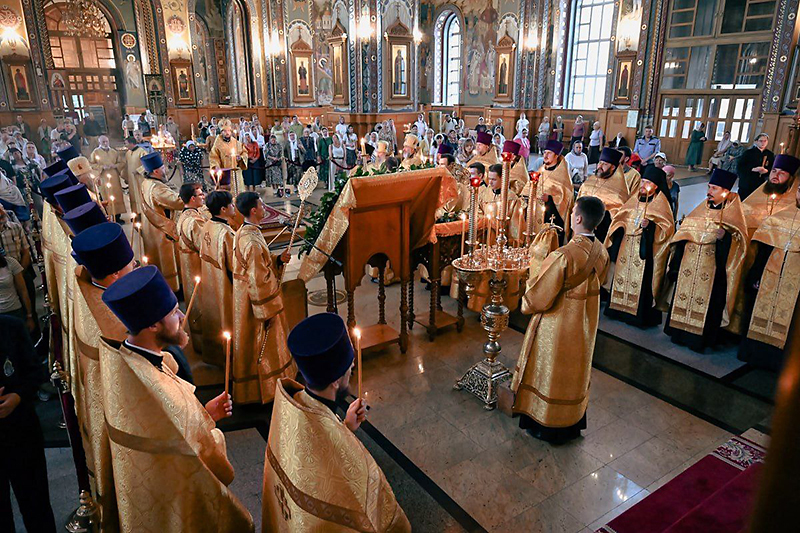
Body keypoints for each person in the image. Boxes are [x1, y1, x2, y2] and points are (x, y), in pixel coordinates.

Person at [100, 266, 253, 531]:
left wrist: (204, 414)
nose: (182, 316)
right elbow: (203, 454)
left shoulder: (124, 359)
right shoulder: (159, 391)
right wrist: (206, 426)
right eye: (173, 312)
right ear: (152, 324)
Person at [263, 313, 410, 532]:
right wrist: (345, 437)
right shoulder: (345, 459)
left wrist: (346, 428)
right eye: (349, 368)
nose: (352, 371)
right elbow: (371, 513)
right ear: (335, 382)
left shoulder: (289, 406)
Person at [511, 196, 610, 443]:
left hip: (558, 324)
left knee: (550, 370)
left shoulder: (564, 255)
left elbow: (539, 296)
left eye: (573, 211)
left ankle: (545, 423)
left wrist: (528, 289)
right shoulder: (601, 251)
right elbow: (604, 280)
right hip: (585, 324)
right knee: (575, 371)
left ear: (577, 218)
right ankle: (572, 422)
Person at [664, 169, 748, 352]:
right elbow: (683, 237)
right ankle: (678, 332)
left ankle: (701, 340)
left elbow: (739, 247)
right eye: (709, 187)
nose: (709, 191)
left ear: (725, 191)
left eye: (714, 188)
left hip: (713, 273)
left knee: (709, 306)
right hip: (689, 267)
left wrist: (725, 238)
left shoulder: (733, 216)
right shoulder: (700, 209)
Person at [231, 192, 296, 405]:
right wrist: (269, 307)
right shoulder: (253, 241)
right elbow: (259, 279)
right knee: (262, 343)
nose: (264, 207)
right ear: (253, 210)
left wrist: (277, 260)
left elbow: (257, 265)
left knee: (249, 342)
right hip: (255, 302)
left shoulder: (243, 231)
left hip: (243, 296)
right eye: (261, 204)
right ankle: (267, 387)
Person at [0, 315, 57, 533]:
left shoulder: (11, 327)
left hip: (21, 432)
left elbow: (35, 371)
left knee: (36, 505)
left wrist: (18, 396)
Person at [738, 177, 800, 371]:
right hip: (769, 279)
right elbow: (762, 252)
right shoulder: (778, 218)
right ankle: (754, 355)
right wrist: (755, 276)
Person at [605, 165, 676, 328]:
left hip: (645, 253)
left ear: (656, 186)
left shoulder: (661, 205)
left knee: (642, 282)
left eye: (647, 182)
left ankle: (639, 317)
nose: (642, 185)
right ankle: (617, 310)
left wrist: (650, 227)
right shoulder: (634, 199)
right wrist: (620, 226)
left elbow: (667, 231)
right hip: (626, 247)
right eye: (642, 181)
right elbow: (620, 218)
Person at [199, 190, 236, 367]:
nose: (234, 207)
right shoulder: (226, 233)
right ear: (223, 209)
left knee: (214, 315)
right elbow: (236, 265)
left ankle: (214, 355)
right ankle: (229, 358)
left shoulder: (207, 225)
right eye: (231, 205)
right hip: (224, 283)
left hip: (210, 280)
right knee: (226, 317)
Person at [139, 151, 183, 291]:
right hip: (162, 231)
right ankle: (173, 289)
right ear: (156, 171)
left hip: (151, 229)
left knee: (158, 259)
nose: (165, 169)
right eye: (163, 167)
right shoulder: (157, 188)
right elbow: (178, 202)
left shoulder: (146, 183)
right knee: (167, 261)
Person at [525, 140, 575, 244]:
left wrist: (550, 200)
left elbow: (567, 201)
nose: (545, 155)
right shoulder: (541, 170)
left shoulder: (563, 177)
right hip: (535, 216)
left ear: (557, 155)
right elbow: (528, 188)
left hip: (551, 218)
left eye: (549, 153)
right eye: (544, 152)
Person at [177, 183, 207, 351]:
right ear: (193, 198)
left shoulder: (184, 215)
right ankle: (205, 346)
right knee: (200, 302)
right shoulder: (193, 221)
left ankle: (199, 343)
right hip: (196, 265)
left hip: (188, 264)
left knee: (194, 300)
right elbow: (205, 244)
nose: (203, 196)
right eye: (200, 194)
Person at [741, 154, 799, 240]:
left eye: (782, 173)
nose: (776, 175)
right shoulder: (756, 195)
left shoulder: (794, 202)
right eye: (774, 171)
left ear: (790, 178)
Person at [578, 147, 631, 242]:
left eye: (605, 164)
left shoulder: (619, 191)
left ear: (613, 167)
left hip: (601, 233)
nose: (600, 166)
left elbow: (619, 218)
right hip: (581, 227)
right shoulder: (589, 182)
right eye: (599, 163)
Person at [90, 135, 126, 221]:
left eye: (107, 141)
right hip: (103, 177)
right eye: (103, 142)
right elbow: (91, 164)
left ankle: (117, 216)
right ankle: (108, 216)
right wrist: (101, 167)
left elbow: (121, 163)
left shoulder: (114, 152)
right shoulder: (95, 152)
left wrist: (115, 165)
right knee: (105, 196)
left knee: (117, 195)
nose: (105, 143)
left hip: (114, 177)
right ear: (99, 143)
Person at [209, 119, 248, 195]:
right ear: (221, 132)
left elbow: (244, 152)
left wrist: (240, 158)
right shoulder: (217, 144)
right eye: (225, 131)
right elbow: (214, 157)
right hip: (225, 174)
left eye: (229, 131)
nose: (227, 133)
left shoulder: (236, 142)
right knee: (227, 195)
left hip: (237, 173)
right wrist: (216, 166)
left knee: (239, 194)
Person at [737, 133, 775, 200]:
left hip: (761, 183)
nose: (763, 143)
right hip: (747, 182)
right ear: (756, 141)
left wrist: (767, 170)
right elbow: (740, 167)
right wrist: (753, 169)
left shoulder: (770, 154)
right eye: (761, 141)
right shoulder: (748, 153)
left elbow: (772, 167)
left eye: (765, 141)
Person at [124, 136, 149, 214]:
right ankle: (135, 213)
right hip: (131, 179)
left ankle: (143, 212)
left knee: (140, 196)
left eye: (126, 143)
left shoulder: (142, 152)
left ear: (131, 143)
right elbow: (126, 166)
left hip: (139, 178)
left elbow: (147, 163)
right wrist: (125, 177)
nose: (125, 145)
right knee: (133, 196)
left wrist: (138, 170)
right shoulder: (128, 153)